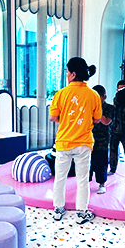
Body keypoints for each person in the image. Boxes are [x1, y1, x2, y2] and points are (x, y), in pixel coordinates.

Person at [49, 57, 102, 224]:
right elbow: (97, 119)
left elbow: (53, 117)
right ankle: (81, 213)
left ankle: (58, 210)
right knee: (82, 180)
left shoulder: (61, 94)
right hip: (83, 143)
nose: (66, 75)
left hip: (64, 143)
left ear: (72, 74)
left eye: (67, 72)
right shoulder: (93, 95)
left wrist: (66, 120)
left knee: (60, 178)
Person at [89, 85, 114, 194]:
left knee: (101, 163)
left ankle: (101, 184)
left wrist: (96, 109)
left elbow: (106, 121)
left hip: (102, 141)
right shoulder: (89, 107)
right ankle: (85, 183)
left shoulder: (110, 108)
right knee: (87, 163)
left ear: (104, 97)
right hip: (88, 139)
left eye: (98, 97)